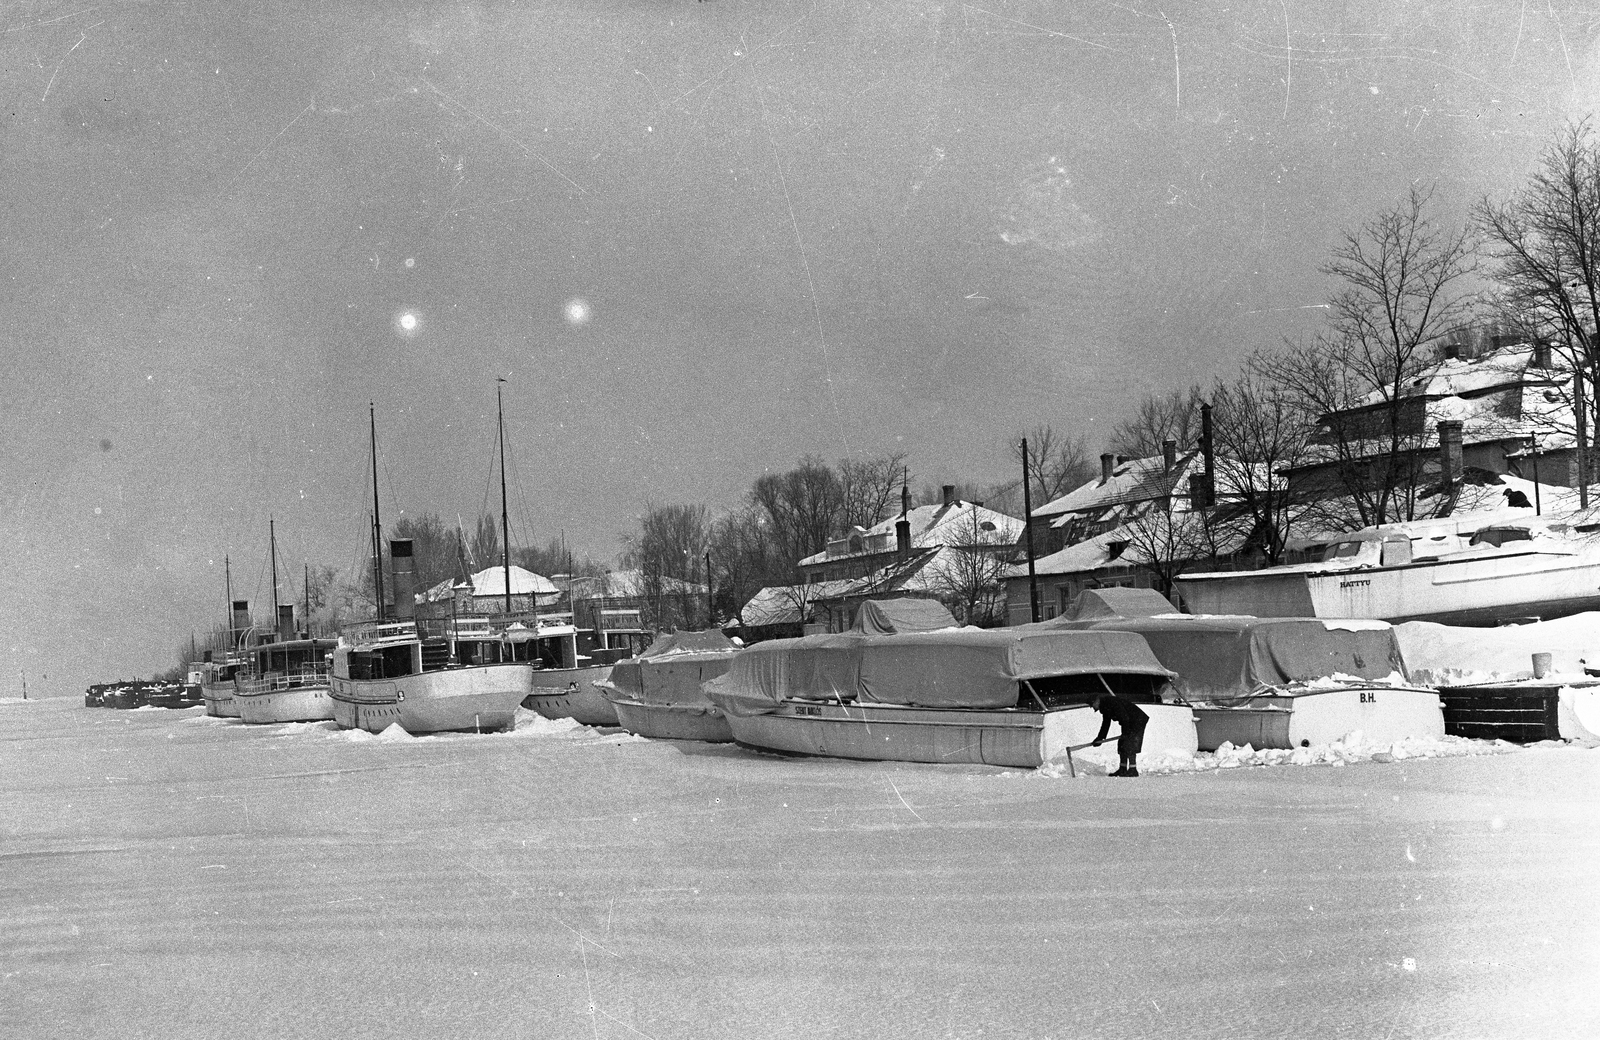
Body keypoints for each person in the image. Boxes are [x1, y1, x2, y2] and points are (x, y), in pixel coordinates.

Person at [1089, 690, 1149, 777]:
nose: (1092, 707)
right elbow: (1106, 723)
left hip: (1137, 720)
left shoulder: (1111, 702)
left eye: (1092, 704)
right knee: (1122, 744)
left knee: (1129, 743)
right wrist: (1100, 738)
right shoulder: (1105, 706)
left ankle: (1133, 770)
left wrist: (1125, 734)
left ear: (1097, 700)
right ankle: (1122, 769)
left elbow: (1124, 717)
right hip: (1129, 722)